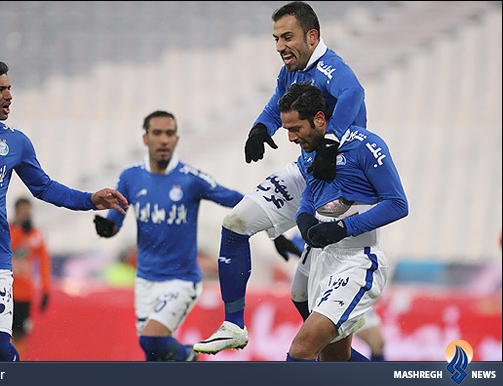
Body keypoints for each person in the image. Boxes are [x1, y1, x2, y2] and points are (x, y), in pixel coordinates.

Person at [0, 58, 128, 362]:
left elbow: (43, 187)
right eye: (0, 89)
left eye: (10, 88)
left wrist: (89, 199)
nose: (9, 96)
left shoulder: (15, 141)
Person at [194, 1, 367, 354]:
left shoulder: (334, 69)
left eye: (287, 37)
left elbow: (354, 94)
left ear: (312, 35)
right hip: (307, 170)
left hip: (339, 182)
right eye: (275, 38)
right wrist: (261, 127)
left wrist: (331, 143)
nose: (280, 46)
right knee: (236, 223)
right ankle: (234, 325)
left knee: (319, 325)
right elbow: (277, 101)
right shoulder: (290, 70)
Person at [92, 110, 244, 361]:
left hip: (181, 280)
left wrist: (268, 213)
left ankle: (189, 356)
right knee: (153, 354)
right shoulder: (130, 177)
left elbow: (232, 198)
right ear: (145, 138)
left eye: (169, 134)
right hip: (145, 281)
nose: (164, 139)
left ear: (176, 139)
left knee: (152, 338)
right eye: (158, 133)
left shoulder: (191, 179)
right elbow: (115, 221)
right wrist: (107, 228)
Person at [278, 82, 407, 361]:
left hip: (356, 261)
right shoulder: (310, 147)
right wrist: (303, 216)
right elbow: (312, 190)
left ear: (320, 119)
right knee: (334, 359)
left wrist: (342, 228)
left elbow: (397, 204)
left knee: (302, 349)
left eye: (295, 129)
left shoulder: (365, 146)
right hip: (320, 260)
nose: (290, 138)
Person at [9, 196, 52, 359]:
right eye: (23, 211)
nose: (26, 215)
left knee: (20, 334)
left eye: (28, 211)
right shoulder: (7, 230)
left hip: (24, 294)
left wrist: (46, 290)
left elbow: (43, 263)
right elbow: (5, 246)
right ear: (16, 212)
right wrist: (19, 229)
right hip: (5, 293)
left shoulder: (36, 235)